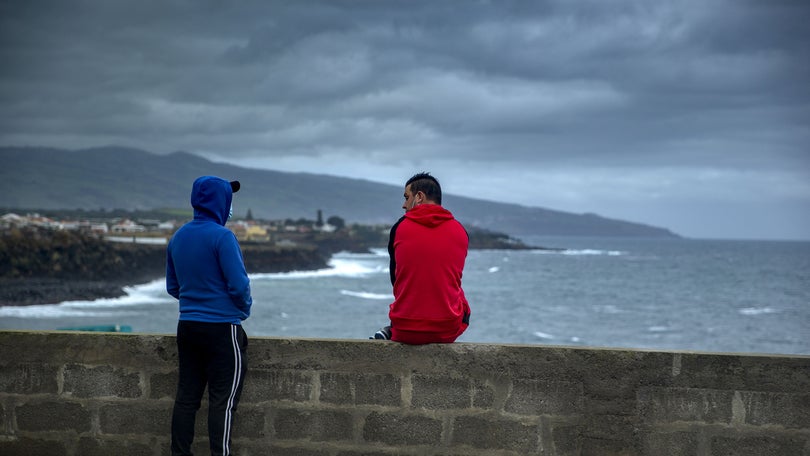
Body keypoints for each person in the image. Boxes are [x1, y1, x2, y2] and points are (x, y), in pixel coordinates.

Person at [166, 175, 252, 456]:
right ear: (221, 201)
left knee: (187, 397)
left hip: (187, 326)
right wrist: (242, 309)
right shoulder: (222, 236)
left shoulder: (179, 236)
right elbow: (239, 285)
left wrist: (195, 302)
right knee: (223, 402)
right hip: (222, 329)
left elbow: (173, 286)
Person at [372, 172, 471, 344]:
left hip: (404, 329)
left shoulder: (399, 228)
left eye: (406, 197)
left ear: (419, 197)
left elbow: (395, 279)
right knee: (456, 289)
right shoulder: (460, 230)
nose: (404, 205)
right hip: (445, 331)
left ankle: (390, 330)